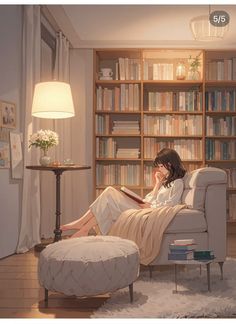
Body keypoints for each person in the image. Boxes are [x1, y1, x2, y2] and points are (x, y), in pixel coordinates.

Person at [61, 148, 186, 237]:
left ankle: (82, 224)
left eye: (161, 166)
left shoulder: (178, 183)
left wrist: (151, 206)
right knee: (108, 198)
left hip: (149, 213)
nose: (159, 169)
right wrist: (157, 184)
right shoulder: (166, 181)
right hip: (146, 207)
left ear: (169, 164)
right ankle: (84, 228)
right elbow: (151, 198)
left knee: (109, 192)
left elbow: (171, 205)